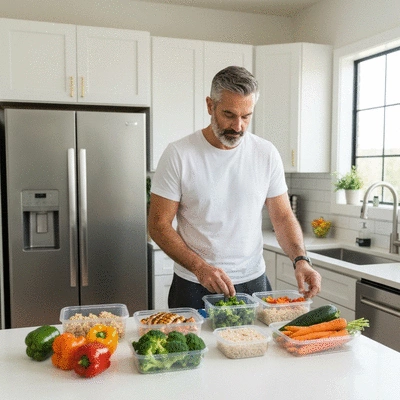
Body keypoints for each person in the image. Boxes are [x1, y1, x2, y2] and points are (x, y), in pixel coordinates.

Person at [148, 66, 321, 309]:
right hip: (195, 283)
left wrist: (301, 260)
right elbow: (158, 225)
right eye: (229, 114)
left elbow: (282, 216)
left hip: (254, 283)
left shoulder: (265, 153)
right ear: (210, 106)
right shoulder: (179, 154)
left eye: (246, 116)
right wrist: (200, 268)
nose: (238, 126)